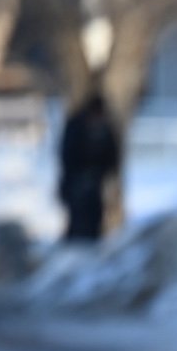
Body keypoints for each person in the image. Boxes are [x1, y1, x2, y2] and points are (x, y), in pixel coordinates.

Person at [57, 92, 121, 244]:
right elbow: (67, 154)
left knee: (94, 216)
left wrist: (104, 173)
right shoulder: (76, 126)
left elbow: (112, 155)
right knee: (77, 216)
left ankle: (92, 242)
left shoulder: (106, 128)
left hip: (96, 180)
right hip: (75, 180)